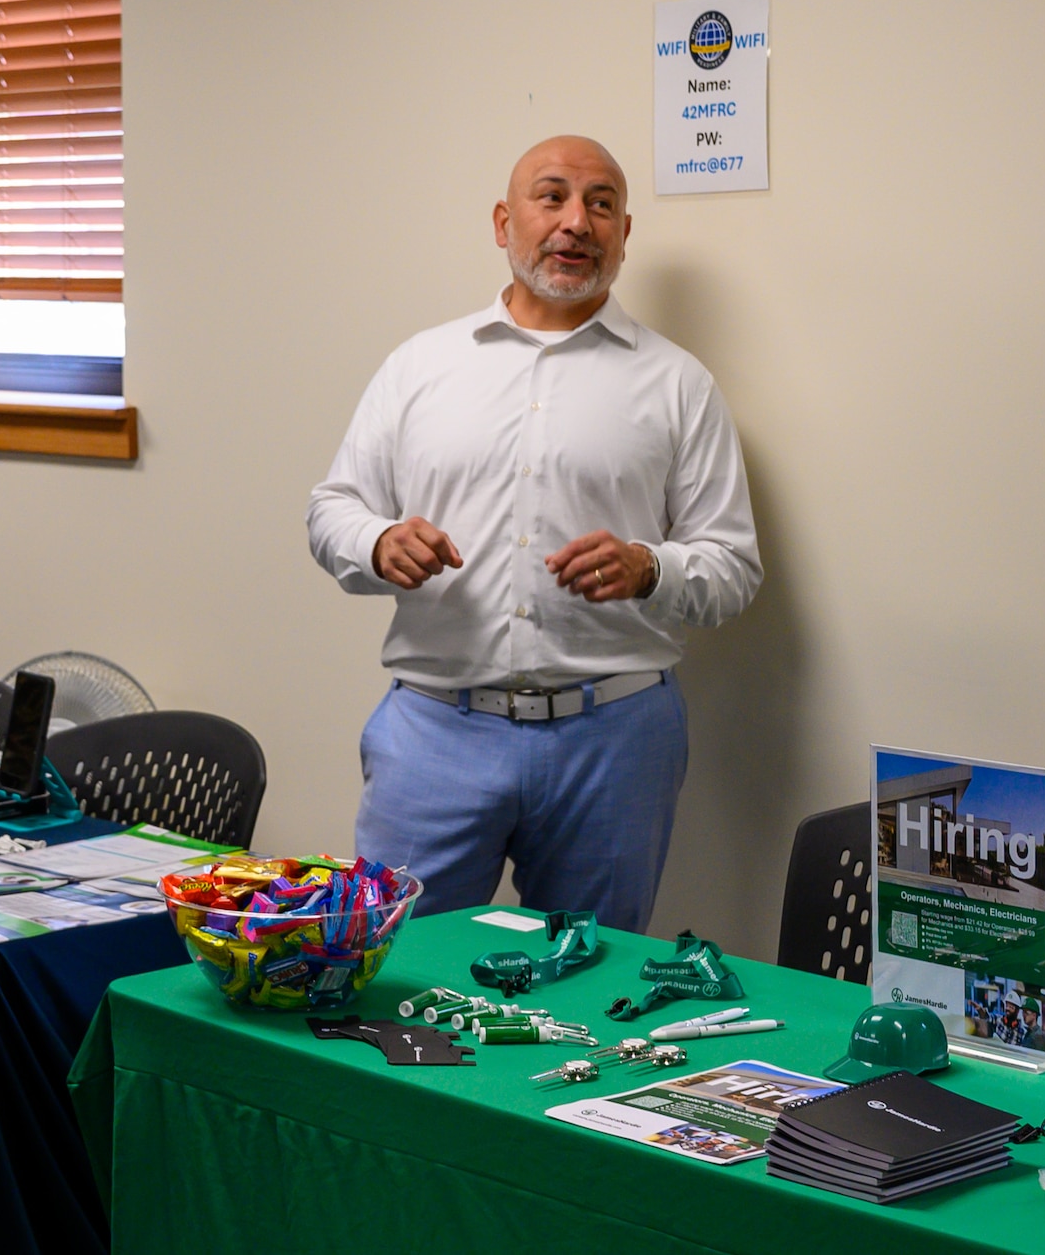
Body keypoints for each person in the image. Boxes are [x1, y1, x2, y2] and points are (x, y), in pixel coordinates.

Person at [307, 135, 761, 930]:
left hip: (615, 741)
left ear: (625, 234)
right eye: (551, 197)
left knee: (589, 993)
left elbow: (732, 568)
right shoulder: (420, 366)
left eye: (601, 204)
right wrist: (378, 544)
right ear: (502, 221)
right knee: (389, 972)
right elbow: (333, 508)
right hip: (434, 732)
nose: (575, 222)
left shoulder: (678, 383)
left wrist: (649, 567)